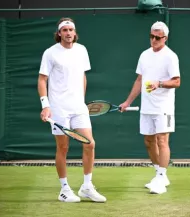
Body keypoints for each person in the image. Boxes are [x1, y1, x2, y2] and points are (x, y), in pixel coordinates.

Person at [37, 17, 106, 203]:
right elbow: (42, 80)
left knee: (90, 144)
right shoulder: (50, 53)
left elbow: (82, 76)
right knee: (63, 147)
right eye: (65, 30)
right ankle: (64, 189)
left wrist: (81, 101)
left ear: (75, 33)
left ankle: (87, 187)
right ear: (59, 33)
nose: (68, 33)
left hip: (78, 107)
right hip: (58, 107)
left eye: (71, 30)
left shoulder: (82, 50)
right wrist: (45, 105)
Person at [120, 21, 181, 194]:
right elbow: (139, 80)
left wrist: (159, 83)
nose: (153, 40)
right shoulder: (144, 55)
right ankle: (159, 174)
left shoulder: (171, 56)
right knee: (148, 141)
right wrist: (128, 102)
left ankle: (161, 177)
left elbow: (177, 81)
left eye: (157, 37)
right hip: (147, 106)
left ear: (165, 38)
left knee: (162, 140)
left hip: (164, 106)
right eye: (151, 36)